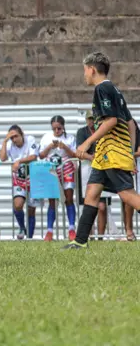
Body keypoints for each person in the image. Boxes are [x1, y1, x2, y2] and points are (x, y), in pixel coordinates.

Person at [66, 52, 140, 248]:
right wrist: (131, 153)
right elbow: (131, 123)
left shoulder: (102, 89)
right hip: (105, 154)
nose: (84, 75)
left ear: (91, 69)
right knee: (91, 193)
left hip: (112, 152)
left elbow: (112, 121)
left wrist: (86, 143)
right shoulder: (115, 90)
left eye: (85, 71)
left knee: (126, 194)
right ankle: (80, 241)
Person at [38, 115, 79, 242]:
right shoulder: (46, 137)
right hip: (52, 170)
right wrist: (50, 146)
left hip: (66, 169)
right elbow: (40, 155)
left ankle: (71, 229)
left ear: (63, 127)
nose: (57, 131)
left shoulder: (70, 138)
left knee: (68, 198)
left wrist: (64, 147)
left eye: (59, 128)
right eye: (54, 129)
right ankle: (49, 231)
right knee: (52, 201)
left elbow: (74, 154)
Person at [0, 125, 40, 239]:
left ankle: (30, 237)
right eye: (11, 138)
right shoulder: (9, 144)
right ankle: (22, 227)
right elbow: (2, 158)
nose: (14, 140)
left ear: (21, 134)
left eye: (15, 136)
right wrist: (4, 141)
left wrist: (19, 161)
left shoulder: (30, 139)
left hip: (33, 178)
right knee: (17, 205)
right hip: (19, 179)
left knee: (32, 210)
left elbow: (33, 156)